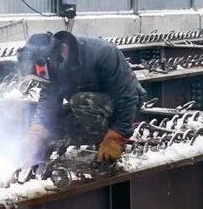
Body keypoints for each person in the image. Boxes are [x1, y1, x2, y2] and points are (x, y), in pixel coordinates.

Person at [17, 30, 145, 164]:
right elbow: (49, 100)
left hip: (124, 106)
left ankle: (102, 142)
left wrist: (116, 136)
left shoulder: (103, 53)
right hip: (94, 107)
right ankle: (82, 139)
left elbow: (128, 97)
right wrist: (36, 132)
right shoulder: (54, 65)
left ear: (59, 53)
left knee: (80, 102)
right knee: (53, 123)